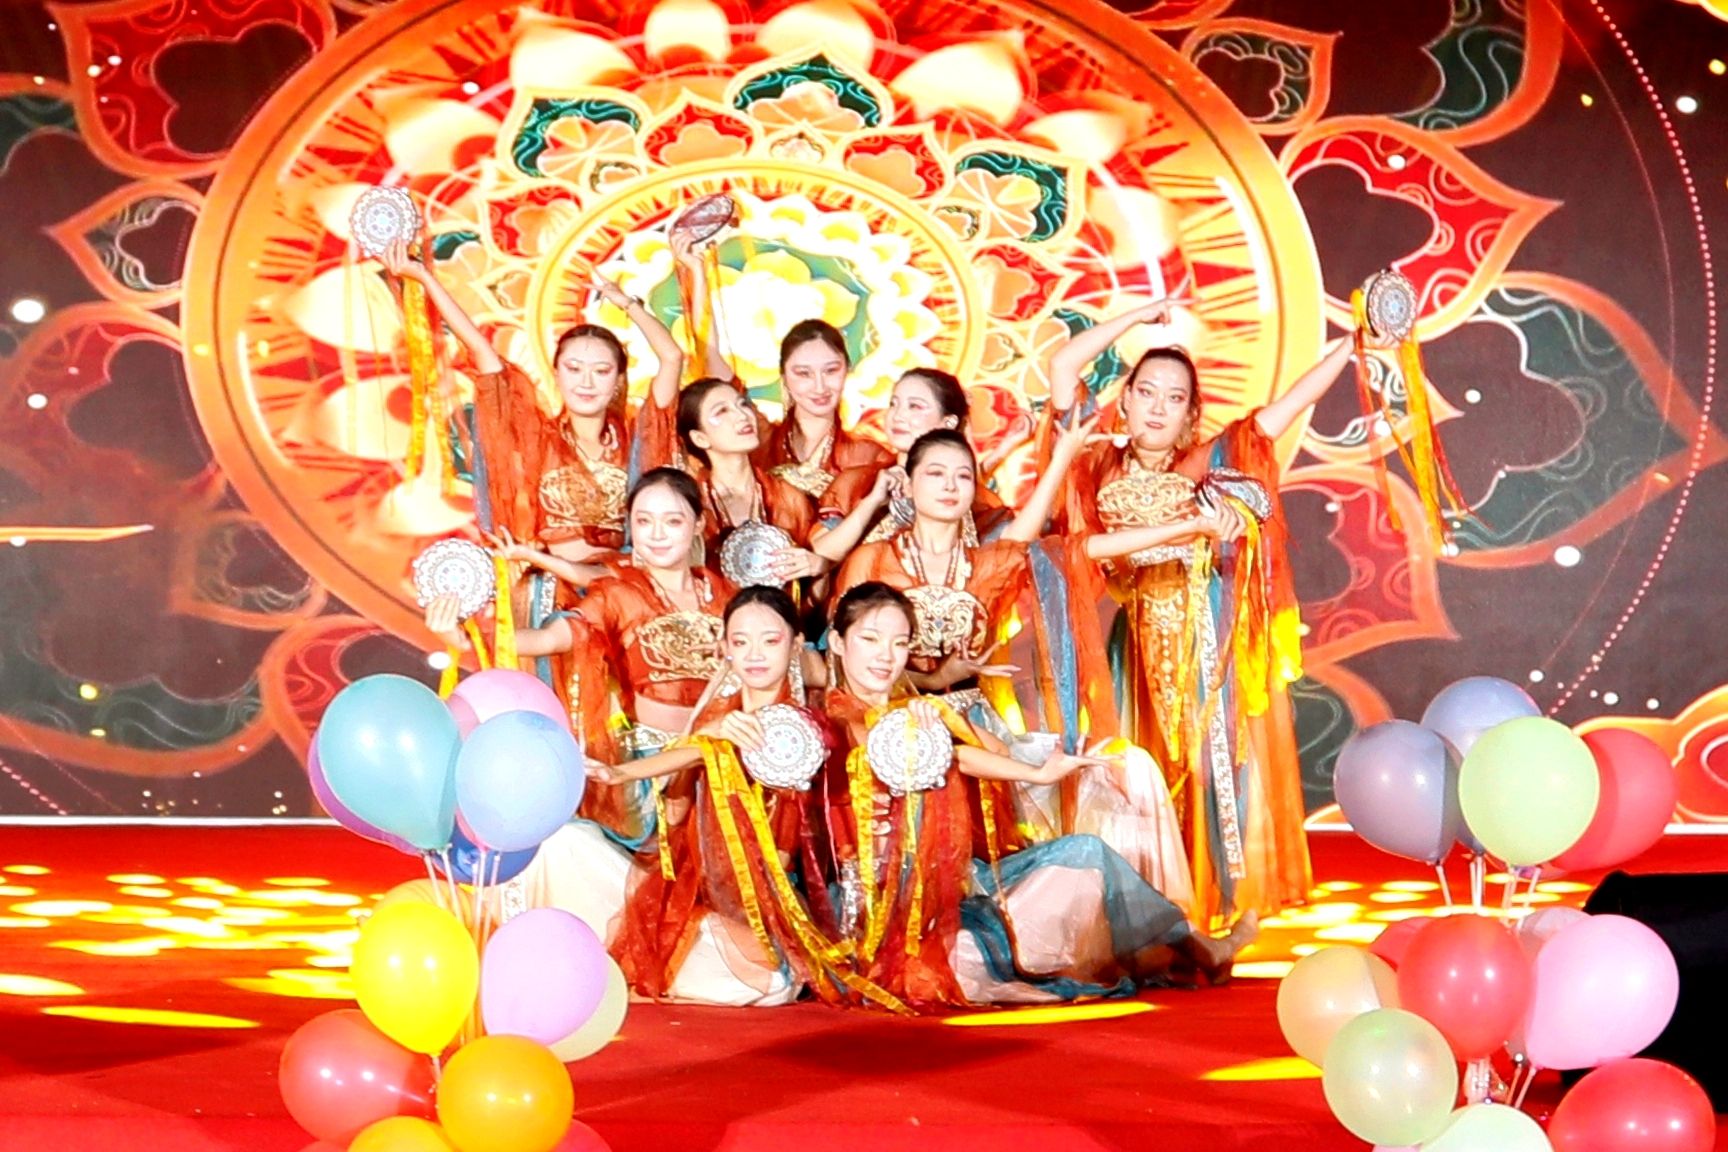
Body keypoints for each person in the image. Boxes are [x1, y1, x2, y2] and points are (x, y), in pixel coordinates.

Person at [1046, 297, 1357, 927]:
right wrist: (1139, 316)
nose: (1158, 408)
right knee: (1140, 773)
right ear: (1124, 400)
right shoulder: (1094, 461)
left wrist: (1356, 344)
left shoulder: (1206, 463)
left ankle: (1226, 907)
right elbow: (1062, 366)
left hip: (1204, 636)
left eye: (1175, 398)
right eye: (1146, 392)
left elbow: (1287, 407)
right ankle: (1154, 909)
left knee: (1216, 769)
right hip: (1134, 642)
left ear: (1191, 414)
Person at [821, 582, 1257, 1010]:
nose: (885, 655)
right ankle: (1193, 951)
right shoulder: (831, 722)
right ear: (838, 644)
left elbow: (989, 752)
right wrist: (1016, 764)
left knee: (1085, 853)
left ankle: (1199, 947)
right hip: (879, 907)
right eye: (870, 639)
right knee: (960, 960)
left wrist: (942, 716)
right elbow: (956, 759)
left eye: (899, 643)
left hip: (951, 886)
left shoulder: (913, 711)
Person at [429, 468, 729, 850]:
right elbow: (549, 639)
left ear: (698, 523)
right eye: (644, 521)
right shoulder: (618, 594)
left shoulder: (728, 597)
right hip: (650, 781)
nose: (657, 534)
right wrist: (465, 639)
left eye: (673, 521)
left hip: (723, 768)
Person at [814, 369, 1012, 547]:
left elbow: (1004, 559)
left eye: (915, 406)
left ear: (949, 422)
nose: (897, 415)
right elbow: (820, 553)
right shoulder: (859, 483)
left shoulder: (973, 501)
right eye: (893, 404)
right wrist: (872, 502)